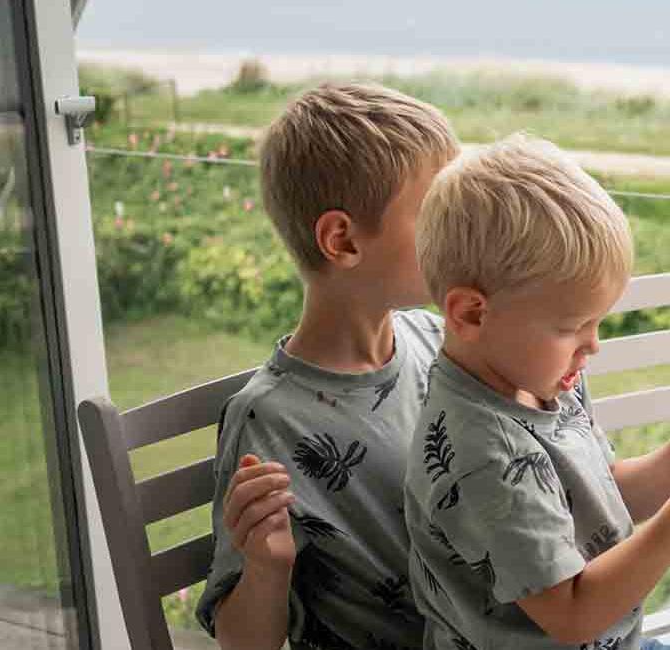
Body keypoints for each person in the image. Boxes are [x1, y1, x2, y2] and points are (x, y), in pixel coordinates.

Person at [404, 134, 670, 650]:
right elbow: (573, 614)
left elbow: (602, 495)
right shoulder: (483, 456)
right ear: (472, 314)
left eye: (597, 322)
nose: (592, 345)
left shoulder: (540, 377)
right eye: (572, 327)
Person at [195, 82, 458, 649]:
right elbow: (244, 644)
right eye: (434, 210)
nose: (457, 229)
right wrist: (266, 568)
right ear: (342, 240)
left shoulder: (439, 340)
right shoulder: (266, 423)